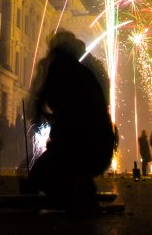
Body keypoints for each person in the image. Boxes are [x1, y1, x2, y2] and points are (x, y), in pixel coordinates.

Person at [25, 31, 116, 214]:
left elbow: (48, 102)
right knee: (73, 166)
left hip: (82, 145)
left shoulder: (58, 68)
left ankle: (69, 198)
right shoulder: (84, 71)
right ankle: (81, 192)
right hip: (103, 144)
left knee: (40, 175)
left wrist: (39, 112)